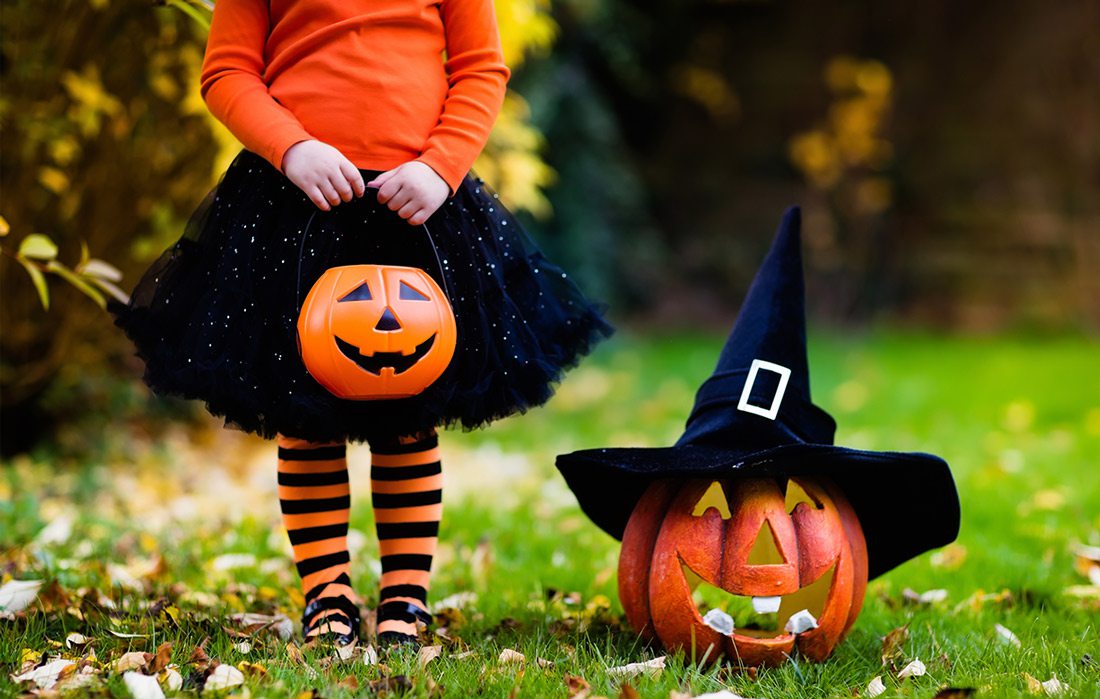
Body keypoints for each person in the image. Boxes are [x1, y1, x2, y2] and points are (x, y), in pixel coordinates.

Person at [112, 0, 611, 648]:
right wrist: (292, 149)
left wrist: (440, 165)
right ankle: (328, 593)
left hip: (416, 204)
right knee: (305, 417)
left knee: (408, 408)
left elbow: (482, 70)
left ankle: (405, 595)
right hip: (296, 208)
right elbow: (228, 72)